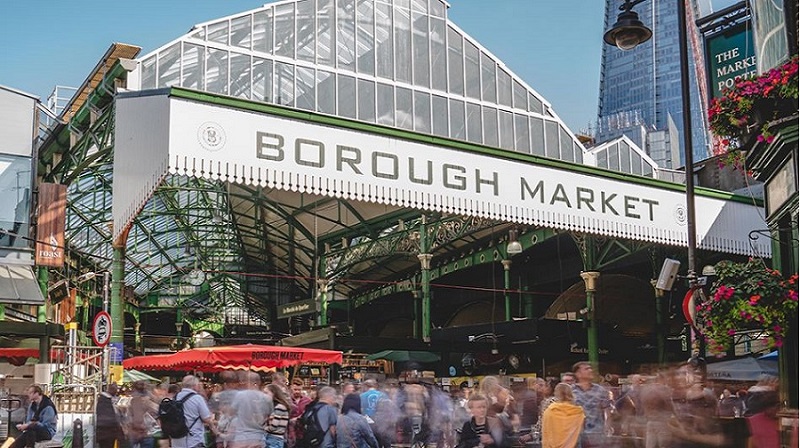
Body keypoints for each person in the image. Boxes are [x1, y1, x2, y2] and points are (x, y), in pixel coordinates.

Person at [170, 375, 218, 448]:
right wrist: (214, 427)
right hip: (193, 439)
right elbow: (206, 418)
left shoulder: (175, 397)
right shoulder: (197, 398)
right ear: (194, 385)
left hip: (177, 440)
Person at [570, 362, 610, 447]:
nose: (590, 370)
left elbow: (607, 409)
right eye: (586, 369)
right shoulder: (570, 391)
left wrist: (608, 426)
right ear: (578, 374)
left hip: (597, 434)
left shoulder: (600, 390)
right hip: (576, 434)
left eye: (590, 368)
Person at [541, 383, 585, 448]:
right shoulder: (578, 412)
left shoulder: (550, 411)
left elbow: (546, 432)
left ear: (556, 394)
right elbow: (581, 430)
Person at [127, 381, 159, 448]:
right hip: (147, 432)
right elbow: (158, 411)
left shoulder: (133, 400)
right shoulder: (150, 401)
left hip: (135, 433)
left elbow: (131, 418)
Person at [97, 383, 125, 448]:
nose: (117, 391)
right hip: (107, 429)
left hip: (107, 429)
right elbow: (110, 416)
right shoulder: (104, 399)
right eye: (115, 389)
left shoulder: (105, 399)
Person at [289, 378, 312, 448]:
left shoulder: (307, 401)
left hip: (304, 432)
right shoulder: (287, 400)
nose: (297, 392)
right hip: (290, 432)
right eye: (295, 389)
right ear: (291, 388)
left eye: (299, 390)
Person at [266, 383, 292, 448]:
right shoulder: (273, 406)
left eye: (266, 393)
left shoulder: (280, 407)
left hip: (275, 438)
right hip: (272, 438)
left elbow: (274, 426)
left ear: (274, 393)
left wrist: (263, 429)